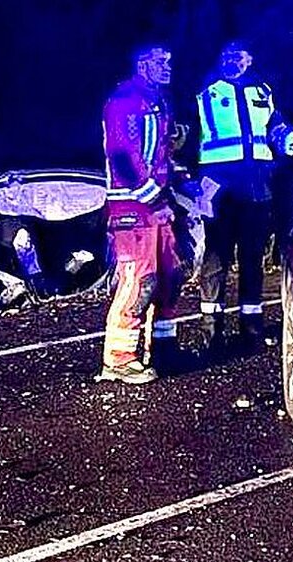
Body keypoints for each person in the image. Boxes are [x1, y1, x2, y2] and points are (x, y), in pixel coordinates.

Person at [195, 40, 293, 349]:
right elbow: (186, 132)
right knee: (216, 257)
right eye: (227, 55)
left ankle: (252, 326)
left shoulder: (261, 90)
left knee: (253, 256)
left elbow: (276, 126)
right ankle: (212, 330)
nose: (232, 61)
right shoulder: (204, 90)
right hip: (219, 185)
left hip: (257, 185)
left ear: (250, 59)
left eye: (239, 56)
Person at [95, 43, 183, 385]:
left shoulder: (158, 100)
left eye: (169, 60)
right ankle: (118, 359)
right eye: (161, 61)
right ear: (142, 65)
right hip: (133, 207)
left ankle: (164, 347)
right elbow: (122, 158)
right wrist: (153, 200)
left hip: (158, 202)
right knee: (139, 282)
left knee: (170, 276)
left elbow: (157, 153)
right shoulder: (125, 101)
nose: (168, 66)